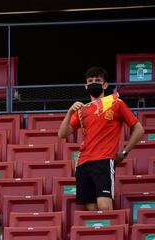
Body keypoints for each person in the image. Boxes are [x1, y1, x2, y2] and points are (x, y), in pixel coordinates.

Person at [58, 66, 144, 211]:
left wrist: (124, 153)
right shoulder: (82, 110)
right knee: (91, 211)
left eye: (97, 80)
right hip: (83, 163)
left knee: (105, 208)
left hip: (103, 161)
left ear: (105, 85)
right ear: (86, 86)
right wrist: (69, 113)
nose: (93, 83)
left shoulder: (116, 103)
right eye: (90, 81)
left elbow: (139, 129)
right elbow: (62, 134)